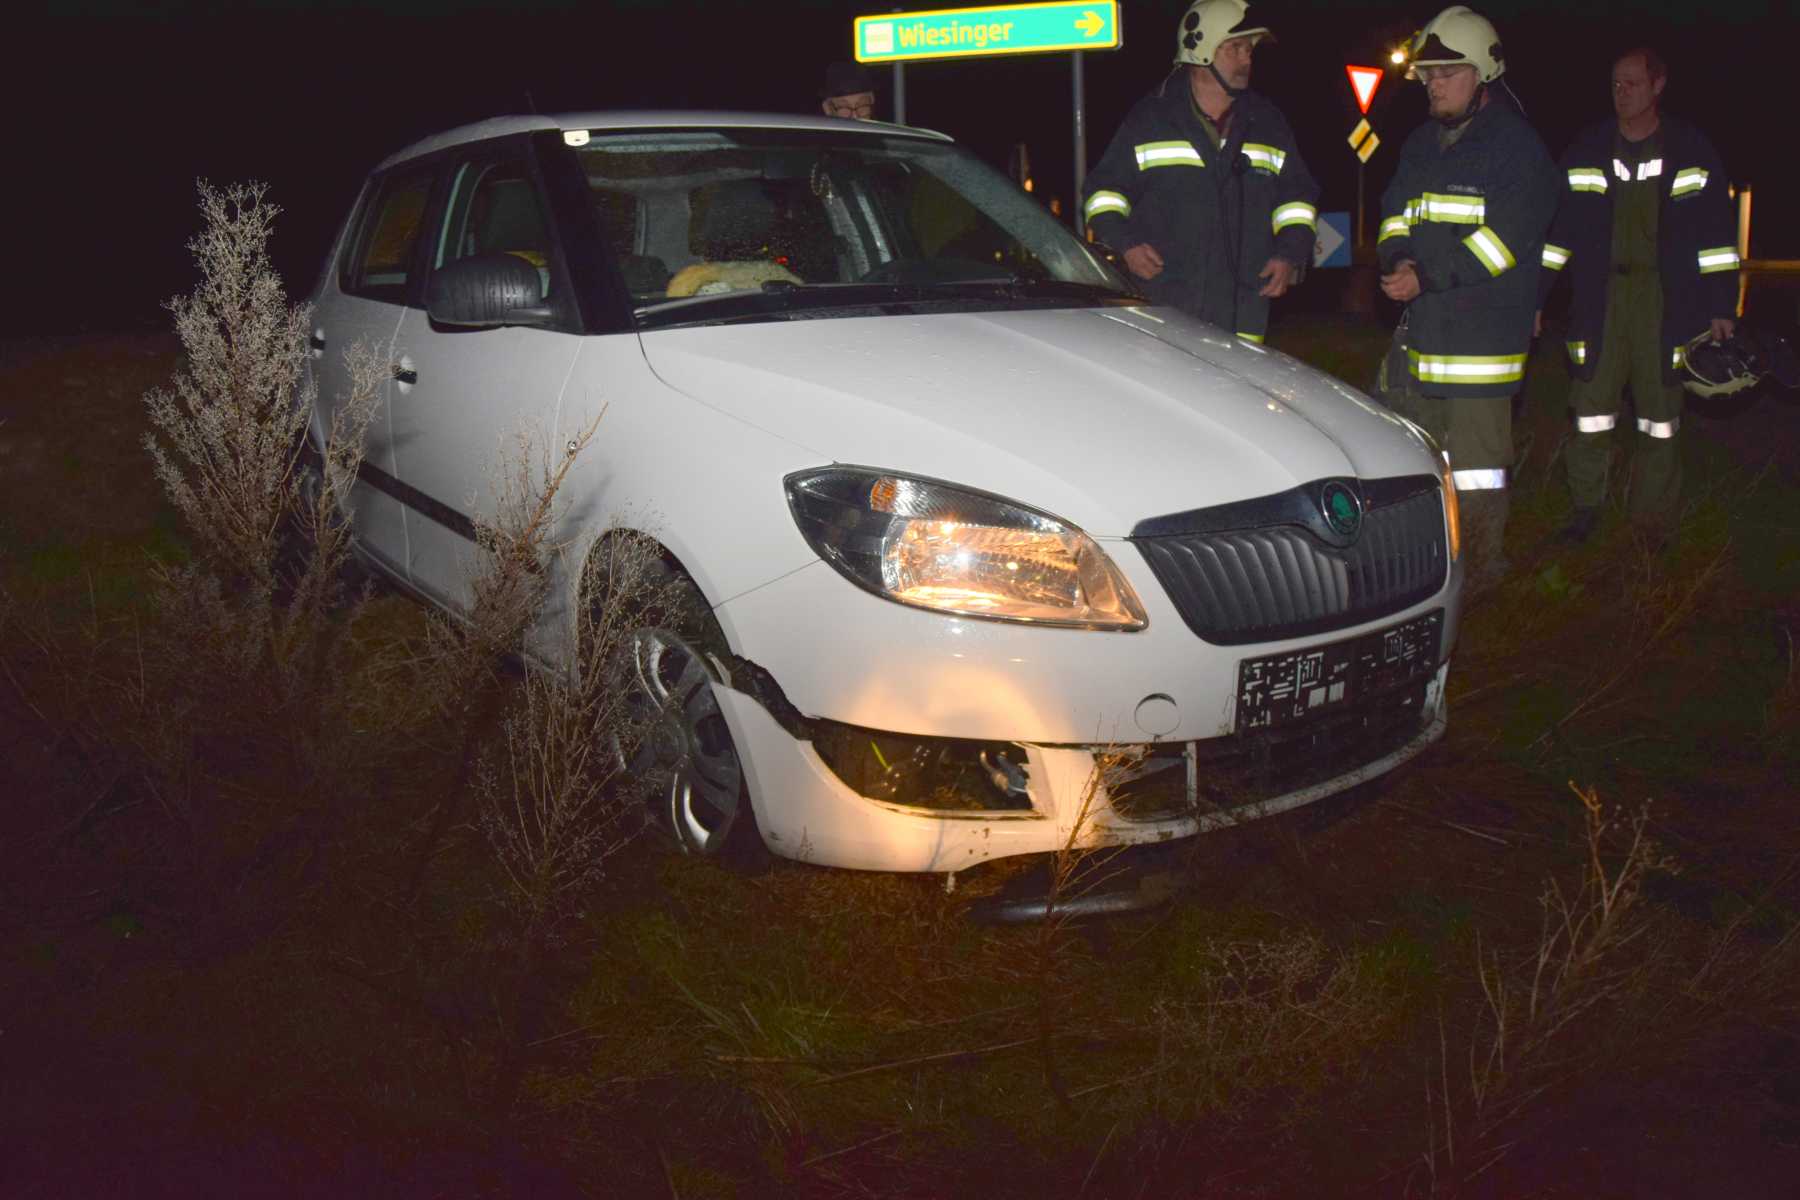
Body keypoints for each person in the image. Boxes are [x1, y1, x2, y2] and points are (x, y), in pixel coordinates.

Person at [1374, 5, 1558, 594]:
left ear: (1483, 75)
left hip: (1481, 347)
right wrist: (1396, 256)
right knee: (1412, 463)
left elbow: (1504, 243)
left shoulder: (1517, 150)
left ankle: (1481, 580)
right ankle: (1420, 569)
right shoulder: (1420, 145)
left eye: (1446, 74)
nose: (1433, 84)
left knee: (1476, 472)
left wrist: (1425, 275)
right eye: (1428, 75)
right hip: (1423, 340)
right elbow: (1392, 214)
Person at [1538, 47, 1739, 544]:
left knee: (1661, 417)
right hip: (1599, 300)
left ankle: (1652, 521)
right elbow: (1557, 234)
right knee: (1590, 409)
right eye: (1614, 84)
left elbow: (1717, 237)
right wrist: (1535, 299)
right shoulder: (1587, 148)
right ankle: (1586, 509)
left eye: (1631, 83)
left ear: (1658, 85)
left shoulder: (1692, 150)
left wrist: (1721, 307)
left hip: (1666, 303)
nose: (1621, 93)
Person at [1080, 0, 1317, 344]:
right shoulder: (1151, 119)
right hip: (1168, 311)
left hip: (1245, 312)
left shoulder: (1268, 123)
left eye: (1250, 49)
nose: (1247, 59)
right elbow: (1102, 195)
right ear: (1200, 51)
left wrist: (1288, 254)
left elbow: (1297, 200)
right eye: (1235, 48)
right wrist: (1127, 245)